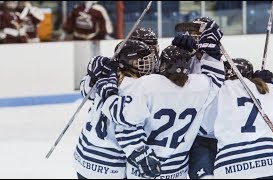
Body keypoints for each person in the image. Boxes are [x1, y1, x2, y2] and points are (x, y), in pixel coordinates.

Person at [98, 20, 225, 179]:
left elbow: (125, 123)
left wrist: (107, 91)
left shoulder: (146, 85)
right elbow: (215, 78)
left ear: (161, 65)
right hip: (177, 169)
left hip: (143, 170)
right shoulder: (198, 87)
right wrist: (212, 51)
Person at [73, 39, 158, 179]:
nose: (146, 64)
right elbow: (125, 128)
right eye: (138, 61)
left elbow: (86, 90)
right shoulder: (134, 87)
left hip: (83, 158)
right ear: (125, 62)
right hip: (109, 166)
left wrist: (94, 71)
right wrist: (142, 155)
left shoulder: (107, 77)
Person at [211, 58, 273, 179]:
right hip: (267, 164)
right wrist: (270, 86)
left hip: (230, 166)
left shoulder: (218, 91)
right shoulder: (263, 90)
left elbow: (206, 128)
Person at [173, 16, 220, 179]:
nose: (194, 36)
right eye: (191, 32)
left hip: (222, 138)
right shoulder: (182, 61)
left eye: (198, 32)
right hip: (194, 139)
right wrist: (176, 53)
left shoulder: (221, 63)